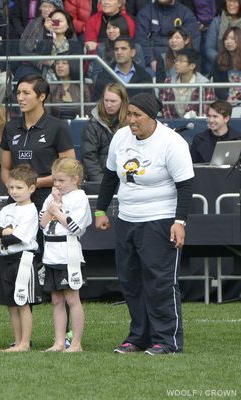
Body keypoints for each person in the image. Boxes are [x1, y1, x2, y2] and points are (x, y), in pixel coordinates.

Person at [94, 92, 194, 355]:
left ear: (153, 116)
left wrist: (179, 221)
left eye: (138, 115)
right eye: (129, 113)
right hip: (127, 218)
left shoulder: (172, 142)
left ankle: (167, 340)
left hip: (160, 219)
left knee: (160, 281)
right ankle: (139, 337)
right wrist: (100, 210)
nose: (131, 120)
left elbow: (185, 186)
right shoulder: (121, 137)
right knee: (130, 280)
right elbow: (109, 176)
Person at [0, 74, 75, 212]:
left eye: (26, 93)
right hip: (17, 200)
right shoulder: (10, 127)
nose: (20, 98)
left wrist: (35, 184)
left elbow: (69, 170)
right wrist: (14, 188)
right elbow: (5, 168)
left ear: (42, 97)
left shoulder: (58, 127)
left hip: (48, 199)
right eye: (18, 93)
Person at [39, 157, 91, 352]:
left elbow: (76, 228)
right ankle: (59, 342)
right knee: (56, 300)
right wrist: (53, 204)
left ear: (75, 179)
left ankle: (76, 343)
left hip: (68, 253)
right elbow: (42, 224)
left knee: (72, 298)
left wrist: (58, 212)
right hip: (51, 253)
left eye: (62, 180)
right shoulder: (51, 197)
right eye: (55, 180)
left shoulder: (80, 197)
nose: (57, 184)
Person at [0, 164, 41, 352]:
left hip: (23, 259)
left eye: (19, 188)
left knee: (22, 301)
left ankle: (25, 343)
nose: (14, 191)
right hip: (7, 259)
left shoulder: (31, 211)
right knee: (10, 303)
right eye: (11, 187)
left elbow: (17, 238)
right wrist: (4, 232)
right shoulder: (8, 208)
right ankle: (17, 340)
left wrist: (5, 234)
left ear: (31, 189)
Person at [15, 9, 82, 81]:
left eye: (60, 21)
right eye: (54, 21)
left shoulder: (75, 45)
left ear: (68, 25)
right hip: (45, 84)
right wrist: (47, 31)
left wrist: (53, 63)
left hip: (67, 84)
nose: (57, 24)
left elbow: (76, 70)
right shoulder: (45, 42)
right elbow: (42, 52)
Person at [81, 82, 129, 182]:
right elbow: (89, 158)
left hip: (127, 179)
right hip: (102, 180)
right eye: (106, 100)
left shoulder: (131, 122)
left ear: (122, 101)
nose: (108, 105)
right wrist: (101, 183)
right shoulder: (93, 124)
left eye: (113, 101)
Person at [135, 0, 200, 66]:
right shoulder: (145, 13)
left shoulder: (186, 14)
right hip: (152, 64)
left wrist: (182, 62)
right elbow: (140, 40)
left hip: (178, 64)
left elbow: (193, 42)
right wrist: (150, 61)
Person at [159, 48, 215, 119]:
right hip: (171, 124)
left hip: (196, 125)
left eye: (181, 61)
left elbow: (206, 111)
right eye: (176, 60)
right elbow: (164, 107)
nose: (176, 63)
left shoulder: (204, 84)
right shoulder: (168, 81)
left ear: (192, 66)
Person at [92, 36, 153, 101]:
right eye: (116, 49)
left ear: (133, 53)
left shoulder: (144, 76)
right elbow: (96, 103)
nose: (119, 52)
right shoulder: (103, 76)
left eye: (123, 49)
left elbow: (149, 104)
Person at [89, 15, 145, 81]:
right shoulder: (102, 48)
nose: (110, 31)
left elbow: (141, 73)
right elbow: (96, 75)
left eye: (114, 27)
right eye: (108, 28)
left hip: (132, 87)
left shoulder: (136, 48)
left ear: (123, 28)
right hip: (109, 88)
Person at [206, 0, 241, 77]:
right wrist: (222, 60)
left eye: (235, 1)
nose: (231, 4)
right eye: (228, 1)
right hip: (220, 65)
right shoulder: (216, 22)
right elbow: (209, 49)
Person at [212, 26, 241, 103]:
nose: (228, 42)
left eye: (232, 38)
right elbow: (217, 85)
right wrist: (227, 99)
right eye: (226, 39)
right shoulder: (219, 59)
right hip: (226, 102)